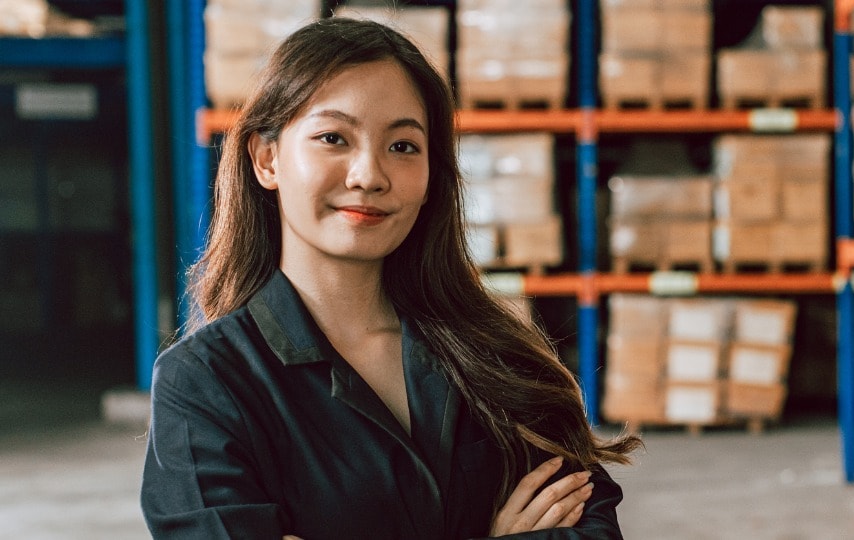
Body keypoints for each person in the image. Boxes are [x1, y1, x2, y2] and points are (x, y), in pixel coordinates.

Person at [141, 17, 642, 539]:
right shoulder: (206, 383)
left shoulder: (493, 352)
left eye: (403, 146)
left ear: (431, 177)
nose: (370, 176)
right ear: (267, 159)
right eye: (333, 138)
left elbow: (588, 522)